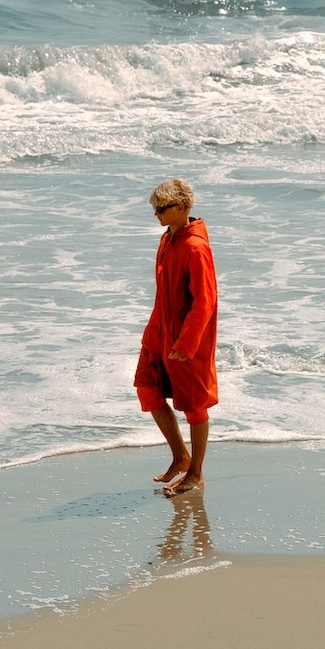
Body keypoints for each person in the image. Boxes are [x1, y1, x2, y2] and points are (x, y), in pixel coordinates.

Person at [135, 177, 217, 497]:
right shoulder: (167, 238)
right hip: (159, 332)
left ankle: (195, 473)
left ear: (182, 207)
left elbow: (205, 301)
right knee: (147, 389)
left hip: (188, 339)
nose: (156, 213)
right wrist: (153, 333)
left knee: (194, 405)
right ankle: (180, 456)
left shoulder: (195, 247)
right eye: (154, 207)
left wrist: (186, 342)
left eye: (162, 208)